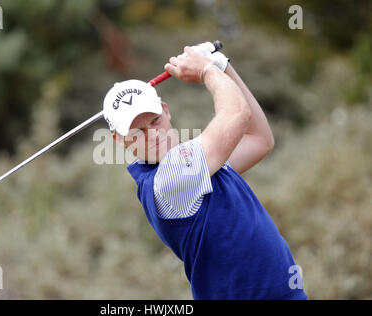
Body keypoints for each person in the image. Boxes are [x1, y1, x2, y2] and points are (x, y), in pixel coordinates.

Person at [102, 42, 307, 300]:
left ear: (166, 111)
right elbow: (236, 114)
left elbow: (259, 139)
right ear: (120, 140)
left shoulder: (200, 167)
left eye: (154, 120)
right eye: (136, 131)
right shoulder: (170, 180)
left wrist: (222, 66)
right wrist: (207, 71)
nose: (152, 134)